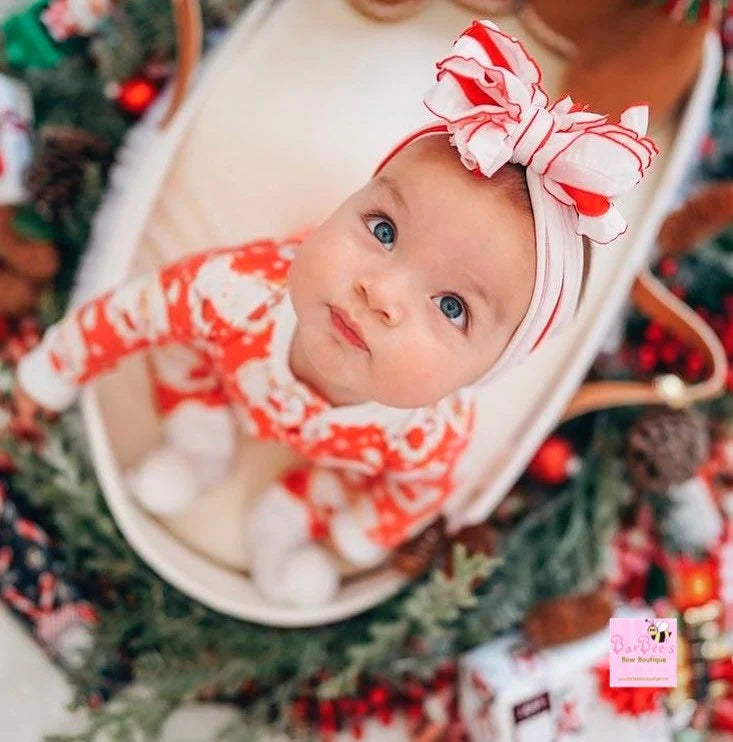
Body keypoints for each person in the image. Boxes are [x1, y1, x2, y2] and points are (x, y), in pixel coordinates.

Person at [13, 20, 657, 606]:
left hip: (328, 455)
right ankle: (196, 445)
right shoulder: (238, 291)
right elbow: (132, 314)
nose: (381, 292)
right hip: (224, 377)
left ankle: (286, 517)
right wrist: (53, 370)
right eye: (382, 230)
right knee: (179, 354)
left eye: (452, 306)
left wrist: (350, 537)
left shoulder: (427, 432)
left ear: (483, 373)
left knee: (334, 491)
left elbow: (412, 495)